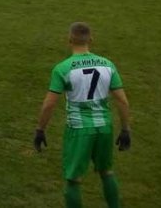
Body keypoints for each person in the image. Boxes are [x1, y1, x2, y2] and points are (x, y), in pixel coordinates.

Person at [33, 22, 131, 208]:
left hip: (78, 130)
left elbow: (49, 104)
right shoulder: (108, 65)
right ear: (91, 40)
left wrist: (40, 129)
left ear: (69, 40)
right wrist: (125, 129)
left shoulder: (63, 68)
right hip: (104, 127)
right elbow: (122, 101)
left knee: (73, 179)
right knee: (107, 172)